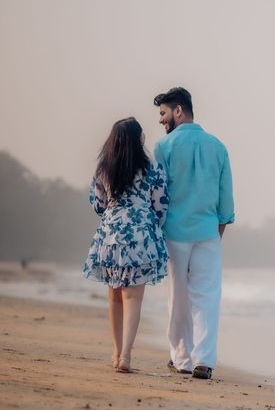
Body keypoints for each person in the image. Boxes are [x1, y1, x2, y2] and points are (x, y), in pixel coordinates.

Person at [153, 87, 234, 380]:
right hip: (209, 232)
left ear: (178, 110)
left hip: (174, 232)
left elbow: (159, 196)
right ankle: (205, 360)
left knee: (178, 296)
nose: (161, 120)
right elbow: (226, 201)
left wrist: (158, 230)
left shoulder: (164, 147)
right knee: (207, 296)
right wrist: (216, 232)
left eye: (163, 113)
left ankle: (182, 358)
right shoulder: (218, 146)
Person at [83, 117, 169, 373]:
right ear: (138, 138)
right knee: (133, 298)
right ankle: (126, 356)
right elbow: (161, 205)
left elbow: (96, 203)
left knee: (114, 296)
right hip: (141, 235)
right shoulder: (152, 168)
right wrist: (152, 225)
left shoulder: (104, 168)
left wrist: (114, 214)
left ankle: (116, 350)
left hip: (111, 235)